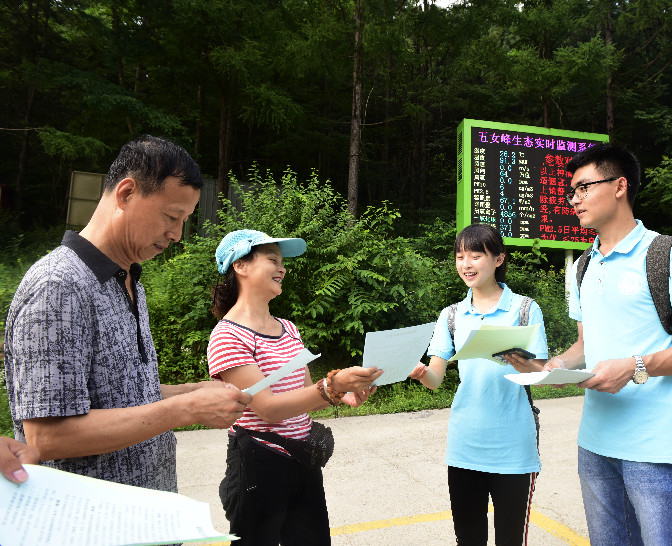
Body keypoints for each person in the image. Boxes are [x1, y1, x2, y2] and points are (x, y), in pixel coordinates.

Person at [4, 135, 252, 492]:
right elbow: (47, 436)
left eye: (185, 220)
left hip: (148, 522)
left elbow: (123, 396)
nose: (178, 234)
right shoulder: (59, 285)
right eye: (172, 216)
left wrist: (189, 393)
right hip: (91, 526)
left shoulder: (128, 280)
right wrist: (186, 410)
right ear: (126, 193)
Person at [545, 143, 672, 545]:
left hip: (655, 446)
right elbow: (586, 345)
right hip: (594, 444)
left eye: (584, 188)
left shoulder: (668, 253)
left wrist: (633, 367)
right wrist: (554, 366)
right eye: (571, 192)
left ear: (620, 185)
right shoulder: (582, 267)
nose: (575, 200)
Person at [207, 228, 384, 546]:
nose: (283, 268)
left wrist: (345, 394)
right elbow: (268, 409)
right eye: (272, 259)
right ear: (240, 265)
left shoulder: (288, 328)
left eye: (282, 262)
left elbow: (305, 393)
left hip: (302, 458)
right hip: (258, 462)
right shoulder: (228, 335)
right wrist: (332, 385)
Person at [408, 223, 549, 546]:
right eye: (460, 256)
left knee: (510, 541)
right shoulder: (452, 315)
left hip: (514, 448)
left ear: (499, 259)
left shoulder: (525, 309)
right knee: (468, 539)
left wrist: (519, 360)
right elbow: (435, 379)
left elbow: (540, 376)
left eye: (475, 255)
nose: (466, 264)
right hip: (465, 447)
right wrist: (418, 372)